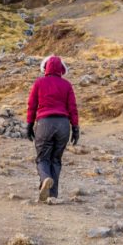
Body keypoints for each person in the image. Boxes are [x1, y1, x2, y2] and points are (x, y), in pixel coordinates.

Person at [26, 55, 79, 203]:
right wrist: (75, 128)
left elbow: (32, 105)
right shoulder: (67, 85)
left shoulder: (39, 83)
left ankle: (45, 179)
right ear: (61, 69)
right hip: (63, 125)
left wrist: (29, 125)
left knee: (43, 158)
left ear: (45, 68)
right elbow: (73, 108)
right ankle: (52, 195)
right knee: (56, 160)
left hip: (45, 123)